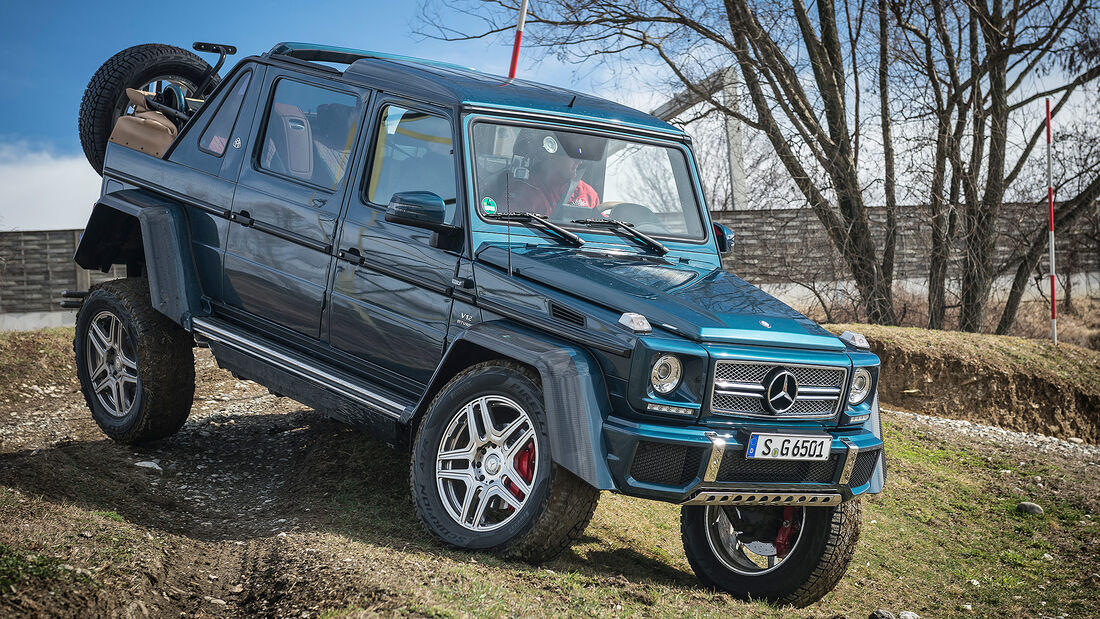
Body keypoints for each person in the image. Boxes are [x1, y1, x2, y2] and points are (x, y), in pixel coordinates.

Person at [505, 132, 599, 217]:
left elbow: (599, 228)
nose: (579, 162)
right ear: (552, 156)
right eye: (573, 156)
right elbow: (506, 228)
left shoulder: (588, 193)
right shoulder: (523, 191)